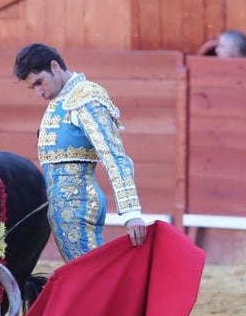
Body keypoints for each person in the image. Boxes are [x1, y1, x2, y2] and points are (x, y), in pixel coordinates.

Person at [12, 42, 146, 260]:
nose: (38, 92)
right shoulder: (62, 99)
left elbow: (114, 156)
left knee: (90, 278)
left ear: (55, 67)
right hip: (65, 207)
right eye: (32, 88)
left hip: (79, 205)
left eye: (39, 82)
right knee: (85, 277)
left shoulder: (85, 96)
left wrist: (131, 213)